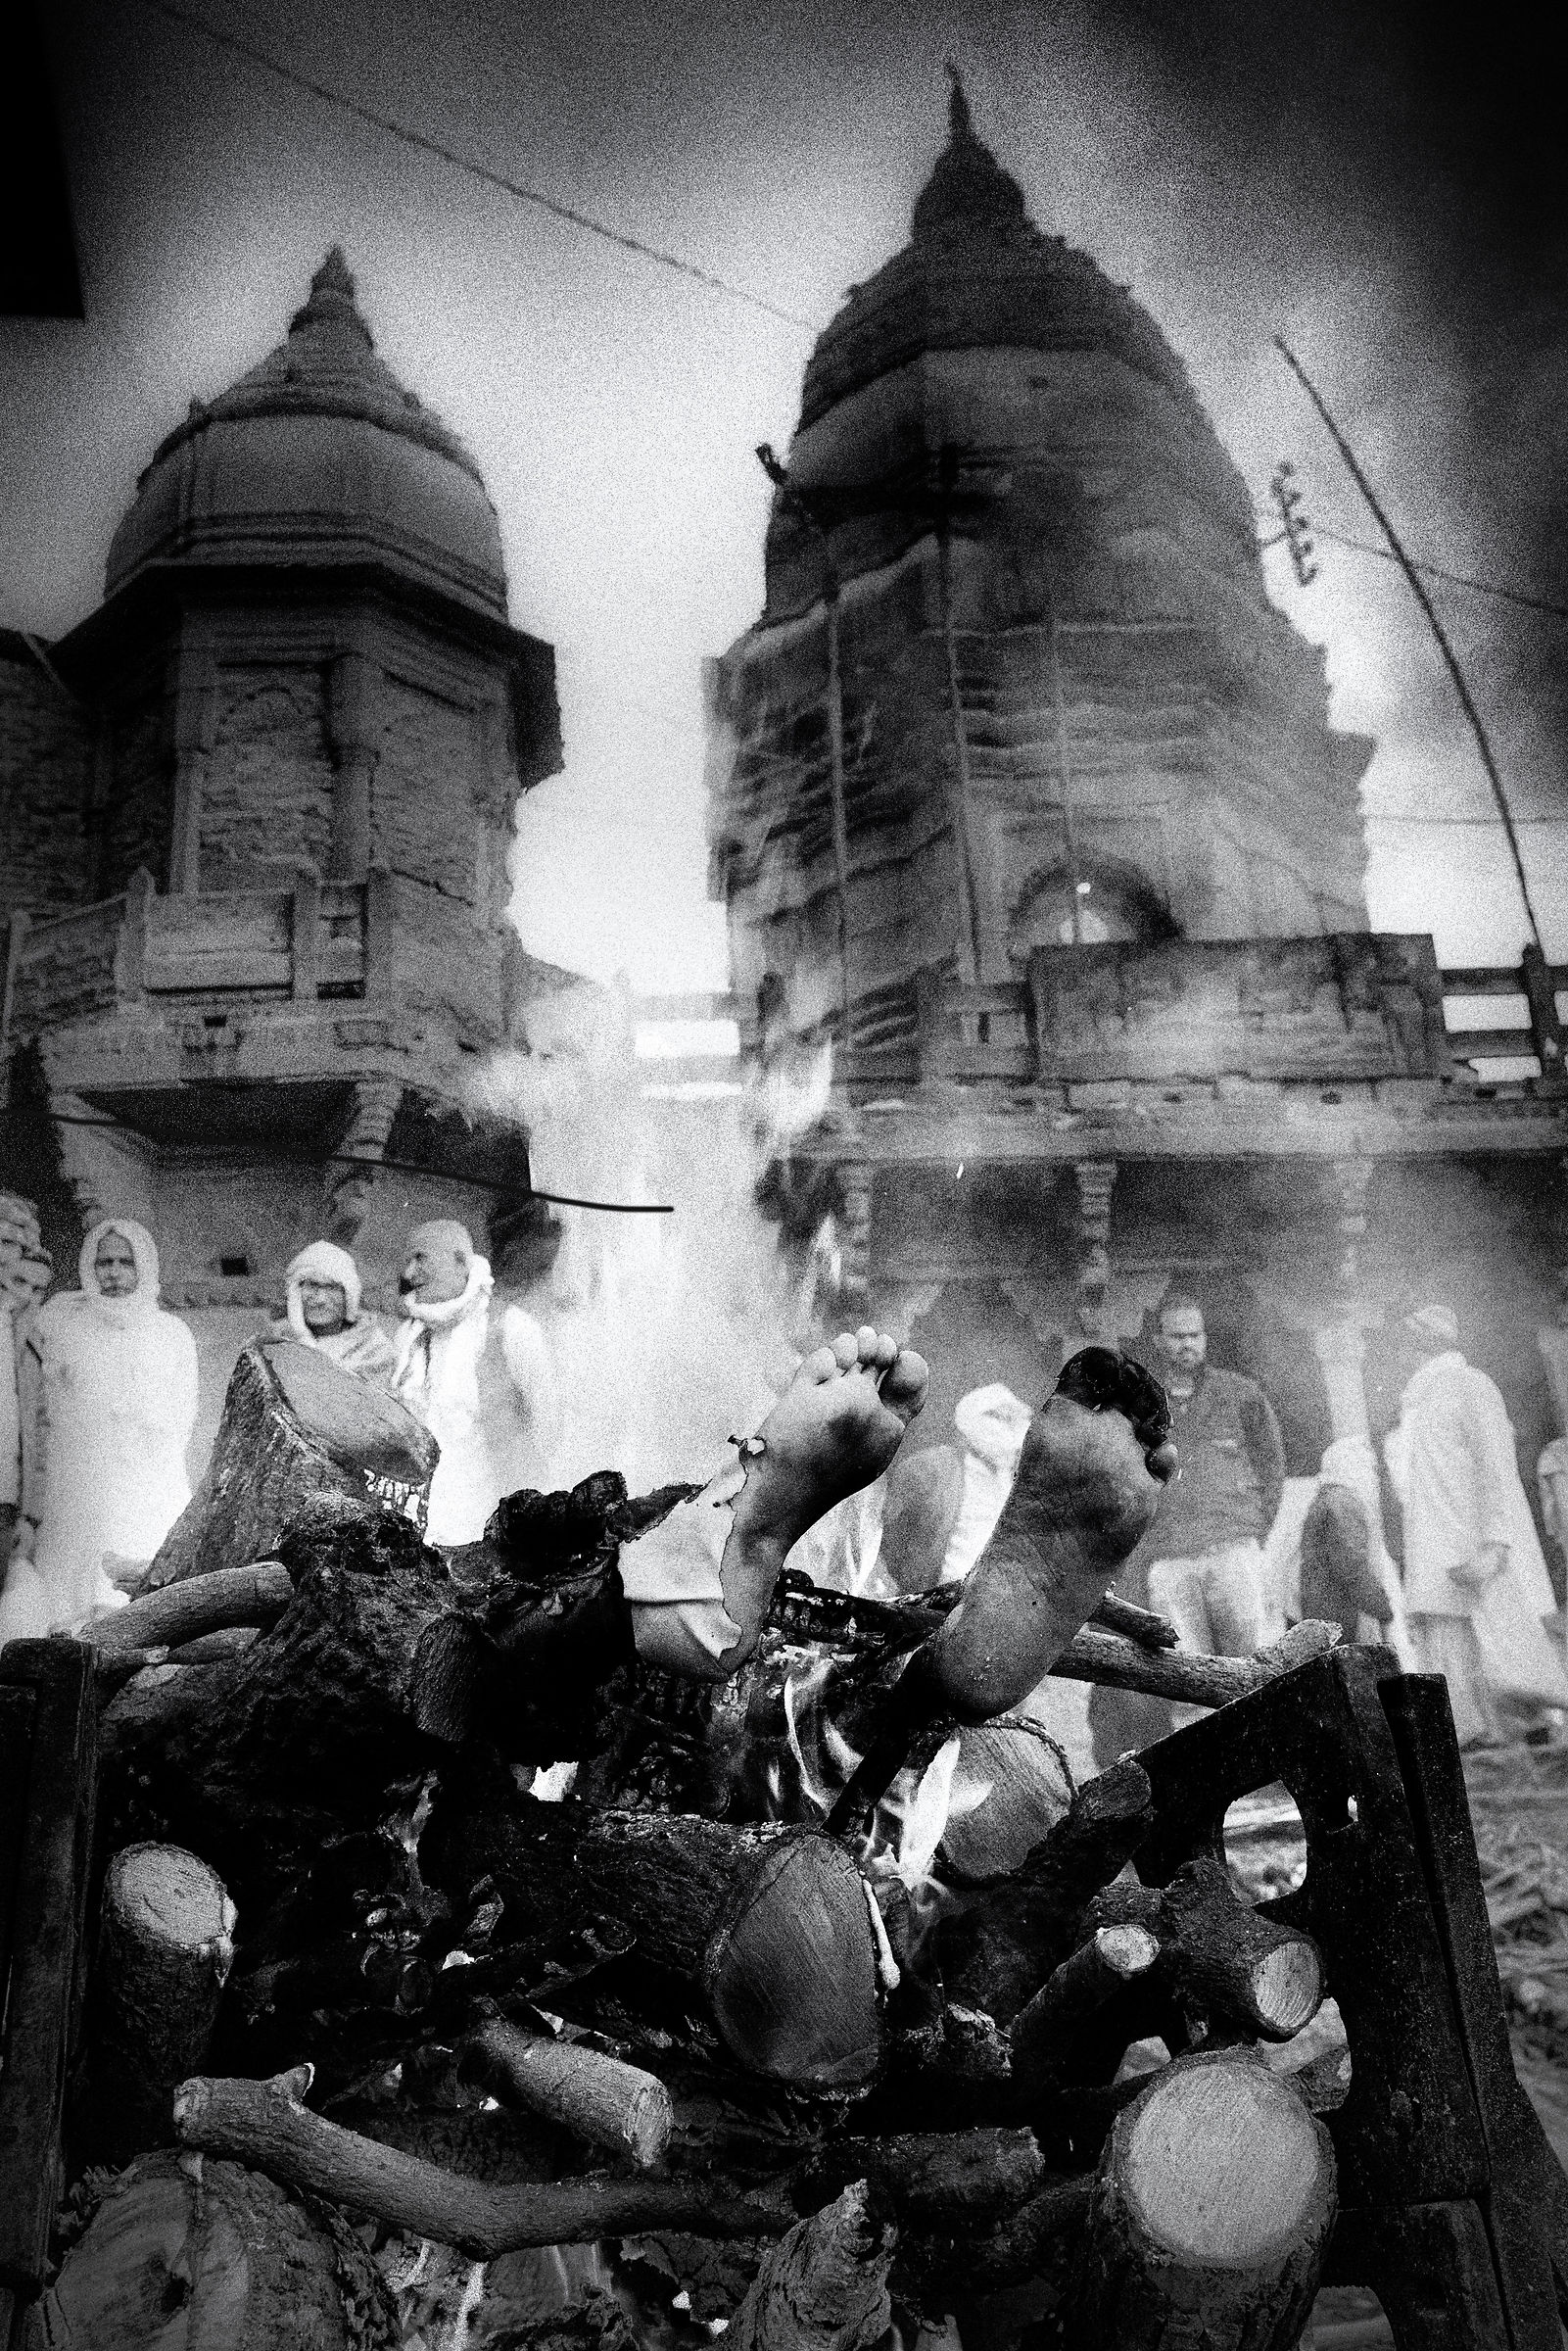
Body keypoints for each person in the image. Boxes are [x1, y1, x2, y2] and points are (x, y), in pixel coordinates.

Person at [1091, 1292, 1284, 1755]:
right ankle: (1207, 1774)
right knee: (1187, 1675)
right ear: (1159, 1340)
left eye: (1195, 1335)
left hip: (1232, 1551)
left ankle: (1264, 1769)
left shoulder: (1241, 1395)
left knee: (1252, 1663)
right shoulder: (1135, 1407)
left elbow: (1272, 1467)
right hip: (1170, 1562)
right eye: (1177, 1336)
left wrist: (1252, 1530)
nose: (1187, 1345)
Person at [1386, 1303, 1568, 1747]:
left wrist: (1494, 1543)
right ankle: (1473, 1737)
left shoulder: (1470, 1385)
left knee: (1508, 1646)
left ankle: (1527, 1735)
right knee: (1450, 1657)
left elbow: (1497, 1472)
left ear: (1423, 1345)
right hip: (1436, 1549)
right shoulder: (1416, 1400)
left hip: (1477, 1547)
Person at [12, 1220, 199, 1630]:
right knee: (69, 1602)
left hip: (145, 1480)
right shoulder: (62, 1325)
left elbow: (181, 1417)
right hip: (77, 1478)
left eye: (125, 1262)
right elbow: (41, 1407)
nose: (113, 1273)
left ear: (144, 1266)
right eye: (104, 1262)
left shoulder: (171, 1334)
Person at [392, 1219, 524, 1545]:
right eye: (408, 1262)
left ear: (461, 1262)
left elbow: (551, 1426)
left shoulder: (510, 1326)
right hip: (423, 1523)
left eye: (420, 1258)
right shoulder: (409, 1336)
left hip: (489, 1521)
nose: (409, 1274)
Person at [1297, 1435, 1404, 1655]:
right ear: (1354, 1466)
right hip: (1338, 1616)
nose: (1374, 1478)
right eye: (1369, 1468)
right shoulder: (1343, 1503)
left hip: (1323, 1614)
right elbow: (1351, 1567)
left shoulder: (1325, 1498)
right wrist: (1384, 1609)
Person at [269, 1239, 397, 1384]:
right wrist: (298, 1332)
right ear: (295, 1292)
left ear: (349, 1296)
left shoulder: (374, 1349)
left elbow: (328, 1396)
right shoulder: (274, 1341)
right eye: (312, 1285)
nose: (320, 1300)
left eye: (332, 1288)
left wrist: (303, 1338)